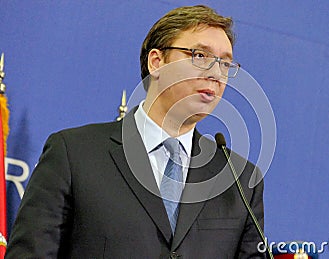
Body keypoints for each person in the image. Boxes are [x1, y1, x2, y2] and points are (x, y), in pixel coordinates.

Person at [5, 5, 267, 258]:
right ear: (156, 62)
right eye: (200, 56)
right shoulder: (73, 154)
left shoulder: (240, 181)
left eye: (225, 64)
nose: (216, 74)